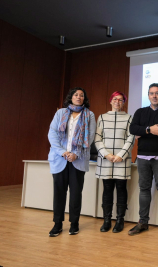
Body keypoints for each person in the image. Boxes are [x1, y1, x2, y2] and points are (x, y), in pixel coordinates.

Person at [128, 83, 158, 240]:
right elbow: (133, 129)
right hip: (142, 157)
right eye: (151, 93)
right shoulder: (140, 112)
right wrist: (149, 129)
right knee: (144, 189)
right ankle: (143, 223)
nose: (154, 96)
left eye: (157, 93)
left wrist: (143, 131)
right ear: (148, 95)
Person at [48, 87, 96, 237]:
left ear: (84, 99)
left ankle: (74, 224)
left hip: (78, 160)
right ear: (71, 97)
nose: (79, 97)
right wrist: (63, 152)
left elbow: (90, 137)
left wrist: (75, 153)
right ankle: (57, 224)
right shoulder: (60, 113)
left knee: (76, 193)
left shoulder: (89, 115)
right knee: (59, 193)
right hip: (59, 159)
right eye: (76, 94)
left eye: (82, 95)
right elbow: (52, 133)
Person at [95, 91, 134, 233]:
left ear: (124, 103)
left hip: (121, 160)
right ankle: (106, 220)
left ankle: (120, 220)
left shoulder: (129, 118)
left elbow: (131, 138)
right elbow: (97, 138)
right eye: (115, 99)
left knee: (122, 189)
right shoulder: (102, 117)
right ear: (111, 101)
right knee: (107, 190)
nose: (117, 102)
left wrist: (121, 155)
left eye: (121, 100)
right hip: (106, 160)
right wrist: (106, 155)